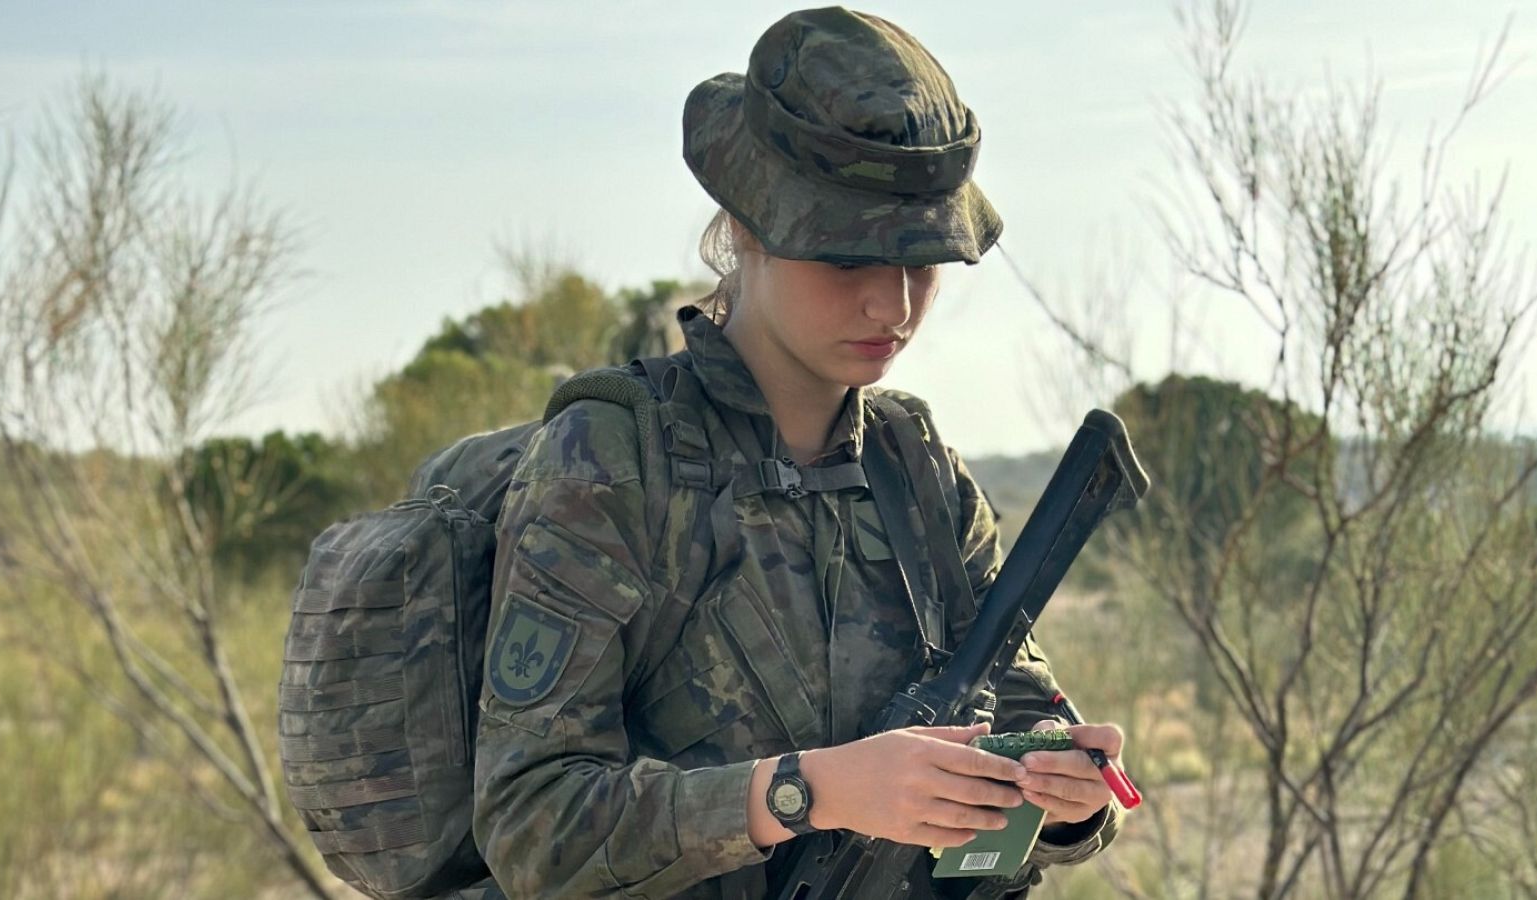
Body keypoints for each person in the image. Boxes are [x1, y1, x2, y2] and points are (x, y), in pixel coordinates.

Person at [472, 7, 1125, 898]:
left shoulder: (917, 465)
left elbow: (1021, 708)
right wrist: (811, 791)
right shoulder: (613, 462)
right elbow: (531, 826)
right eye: (850, 259)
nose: (892, 307)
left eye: (923, 262)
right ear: (747, 227)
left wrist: (1068, 796)